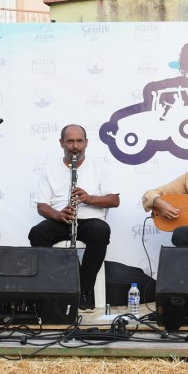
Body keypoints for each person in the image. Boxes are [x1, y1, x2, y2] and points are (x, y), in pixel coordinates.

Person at [28, 125, 120, 311]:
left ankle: (85, 289)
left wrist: (89, 199)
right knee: (37, 233)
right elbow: (42, 206)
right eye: (70, 141)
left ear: (86, 143)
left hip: (90, 221)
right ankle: (61, 282)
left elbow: (114, 200)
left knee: (101, 231)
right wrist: (58, 214)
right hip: (61, 219)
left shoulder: (100, 167)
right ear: (61, 143)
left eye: (79, 141)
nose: (75, 146)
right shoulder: (49, 169)